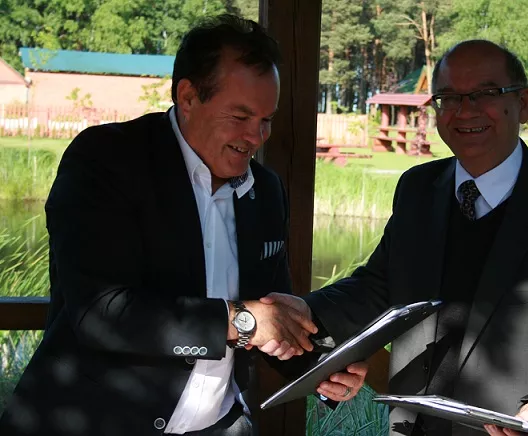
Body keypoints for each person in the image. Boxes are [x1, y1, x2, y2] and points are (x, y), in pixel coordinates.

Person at [0, 15, 367, 436]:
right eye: (240, 116)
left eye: (266, 120)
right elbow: (101, 313)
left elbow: (272, 315)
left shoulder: (266, 191)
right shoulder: (106, 159)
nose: (256, 136)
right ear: (188, 97)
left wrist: (320, 366)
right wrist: (242, 320)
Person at [266, 40, 528, 436]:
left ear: (524, 104)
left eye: (485, 93)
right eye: (448, 98)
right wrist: (304, 313)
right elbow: (377, 286)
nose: (465, 110)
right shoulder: (418, 188)